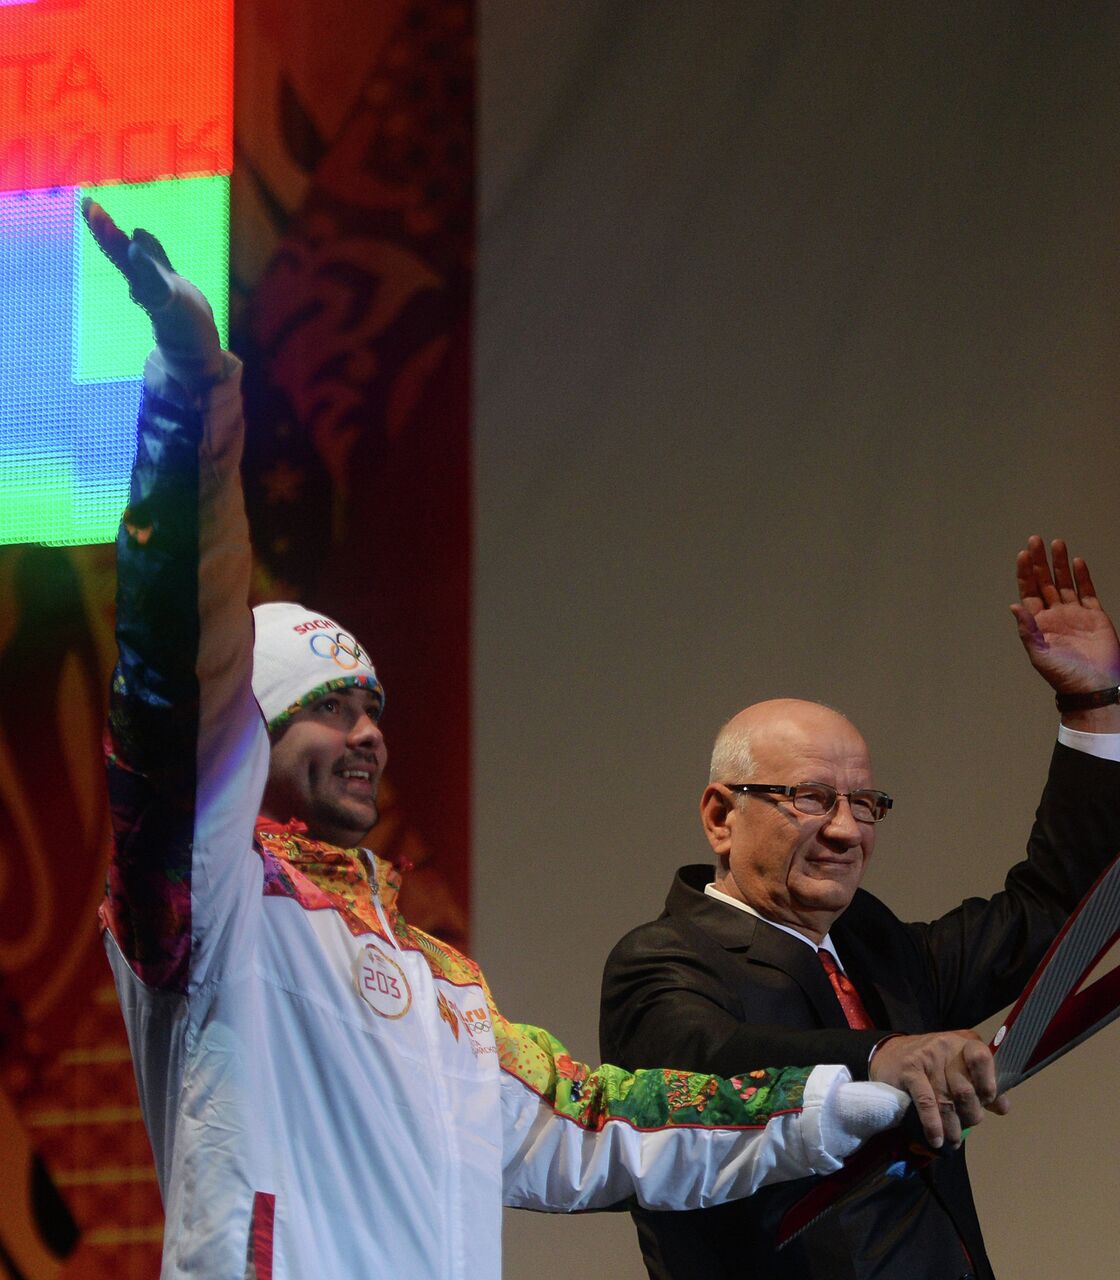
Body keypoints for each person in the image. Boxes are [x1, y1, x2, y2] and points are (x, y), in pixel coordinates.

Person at [82, 199, 910, 1280]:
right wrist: (195, 403)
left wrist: (851, 1097)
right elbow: (178, 671)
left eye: (375, 704)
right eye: (331, 704)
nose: (369, 730)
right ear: (252, 735)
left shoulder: (446, 989)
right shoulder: (213, 897)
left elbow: (610, 1118)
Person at [599, 537, 1120, 1279]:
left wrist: (1091, 709)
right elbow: (713, 1069)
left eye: (864, 803)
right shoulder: (664, 961)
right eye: (810, 798)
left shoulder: (879, 952)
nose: (845, 830)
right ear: (720, 817)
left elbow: (1051, 909)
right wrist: (879, 1057)